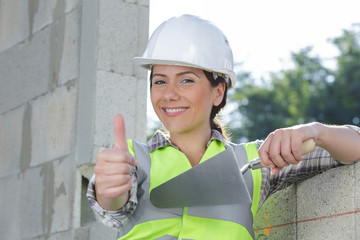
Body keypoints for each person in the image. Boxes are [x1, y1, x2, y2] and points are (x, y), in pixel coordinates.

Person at [87, 14, 360, 240]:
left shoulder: (258, 161)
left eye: (186, 80)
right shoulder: (134, 158)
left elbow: (355, 146)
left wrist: (315, 132)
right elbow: (114, 206)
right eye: (159, 81)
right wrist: (110, 190)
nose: (169, 94)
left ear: (218, 93)